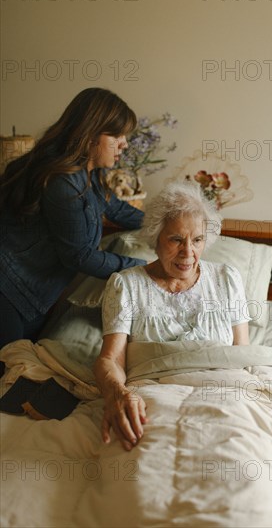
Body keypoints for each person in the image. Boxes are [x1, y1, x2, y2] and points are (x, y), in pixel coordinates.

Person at [94, 182, 251, 451]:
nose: (188, 252)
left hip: (221, 397)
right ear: (156, 237)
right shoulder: (126, 285)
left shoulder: (227, 279)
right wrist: (118, 394)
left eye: (197, 240)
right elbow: (110, 359)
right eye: (176, 239)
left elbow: (241, 357)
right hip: (153, 399)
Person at [0, 88, 146, 348]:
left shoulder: (89, 174)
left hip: (31, 295)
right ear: (90, 134)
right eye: (116, 134)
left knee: (16, 373)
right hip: (8, 291)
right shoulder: (63, 183)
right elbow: (79, 256)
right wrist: (144, 268)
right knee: (9, 378)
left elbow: (117, 211)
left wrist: (167, 222)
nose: (124, 143)